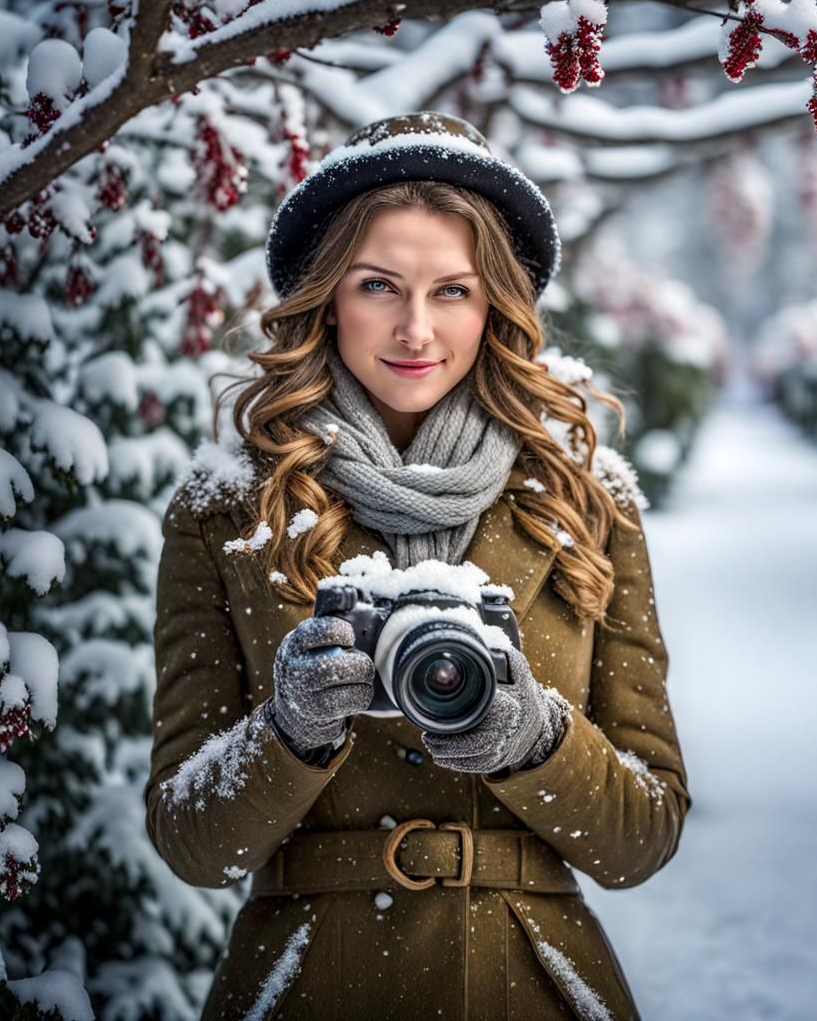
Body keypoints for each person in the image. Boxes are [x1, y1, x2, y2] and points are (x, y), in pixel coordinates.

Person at [145, 110, 692, 1021]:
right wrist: (288, 732)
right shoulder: (229, 508)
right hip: (308, 985)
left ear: (495, 305)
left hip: (529, 985)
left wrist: (537, 740)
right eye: (378, 286)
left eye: (452, 291)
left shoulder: (582, 497)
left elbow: (644, 836)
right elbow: (191, 842)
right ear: (327, 296)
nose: (415, 328)